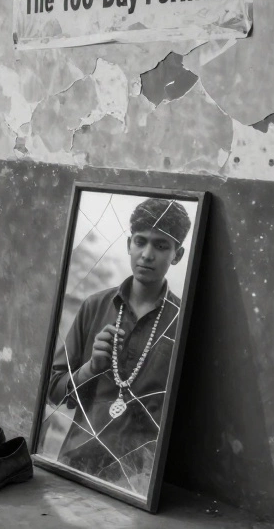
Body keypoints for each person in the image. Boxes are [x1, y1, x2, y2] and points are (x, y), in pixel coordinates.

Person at [45, 197, 192, 494]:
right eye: (141, 241)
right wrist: (90, 369)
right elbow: (52, 392)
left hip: (139, 480)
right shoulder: (94, 306)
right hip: (76, 463)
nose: (147, 254)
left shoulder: (182, 322)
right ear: (129, 244)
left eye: (161, 246)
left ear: (177, 255)